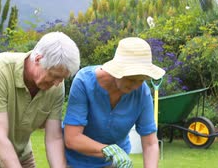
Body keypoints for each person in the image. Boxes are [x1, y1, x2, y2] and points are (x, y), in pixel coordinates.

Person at [0, 31, 81, 168]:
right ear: (37, 59)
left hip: (20, 156)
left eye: (62, 79)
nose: (57, 83)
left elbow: (54, 138)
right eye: (54, 76)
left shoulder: (56, 86)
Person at [64, 37, 165, 168]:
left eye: (141, 80)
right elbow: (72, 138)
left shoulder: (142, 92)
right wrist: (109, 150)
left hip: (114, 164)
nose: (135, 86)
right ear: (116, 71)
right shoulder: (84, 82)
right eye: (131, 79)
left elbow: (150, 143)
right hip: (75, 162)